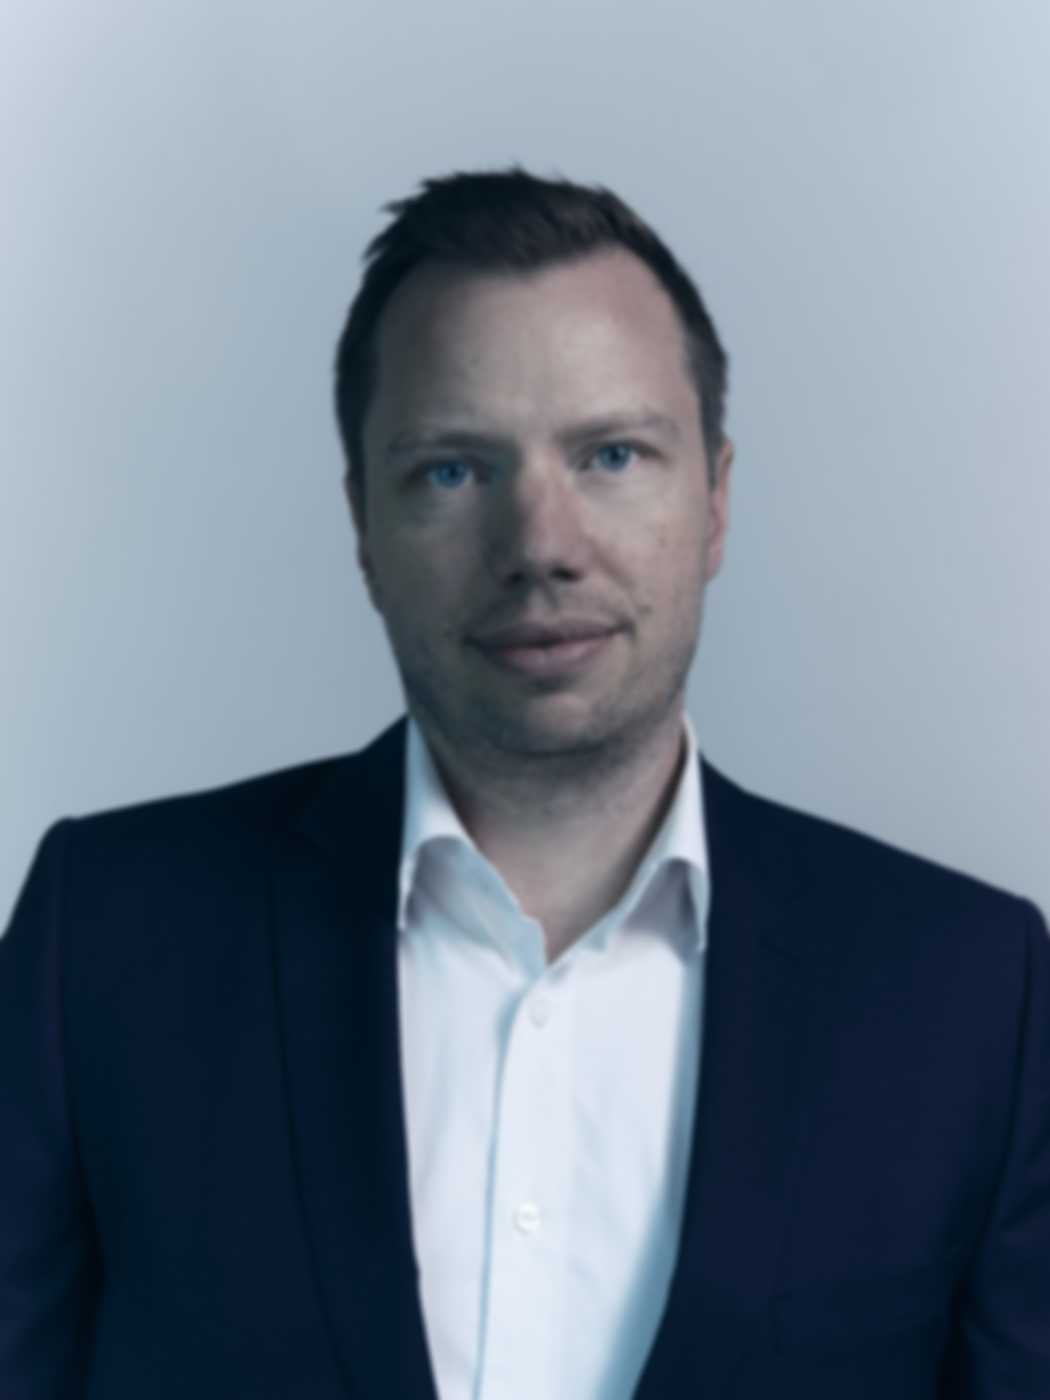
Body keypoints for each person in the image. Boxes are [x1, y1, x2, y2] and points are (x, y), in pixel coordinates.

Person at [2, 165, 1048, 1400]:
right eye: (454, 469)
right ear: (363, 526)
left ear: (715, 499)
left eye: (611, 454)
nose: (541, 546)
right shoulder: (102, 939)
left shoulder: (972, 993)